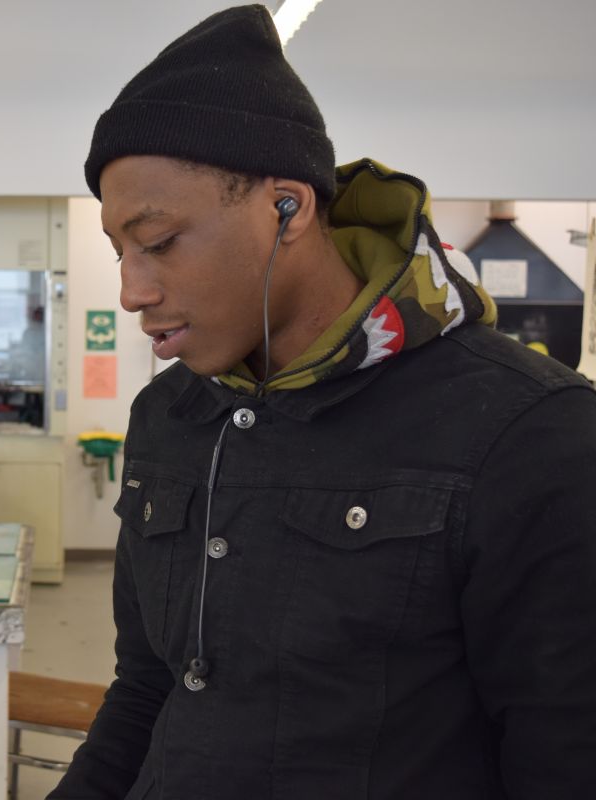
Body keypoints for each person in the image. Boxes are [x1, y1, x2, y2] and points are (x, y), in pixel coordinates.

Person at [49, 5, 596, 799]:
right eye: (119, 251)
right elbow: (147, 688)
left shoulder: (531, 431)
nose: (133, 290)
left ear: (287, 208)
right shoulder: (170, 416)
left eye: (159, 240)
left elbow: (565, 750)